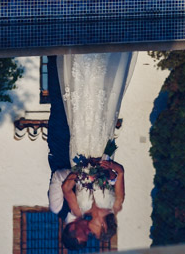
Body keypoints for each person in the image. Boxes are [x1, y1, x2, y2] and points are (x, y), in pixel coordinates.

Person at [57, 51, 134, 239]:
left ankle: (78, 59)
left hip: (80, 153)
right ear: (104, 227)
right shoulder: (116, 205)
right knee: (101, 112)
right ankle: (103, 62)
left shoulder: (79, 211)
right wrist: (109, 167)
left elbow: (66, 188)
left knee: (80, 117)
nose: (90, 231)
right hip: (102, 151)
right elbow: (121, 172)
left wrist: (81, 173)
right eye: (96, 232)